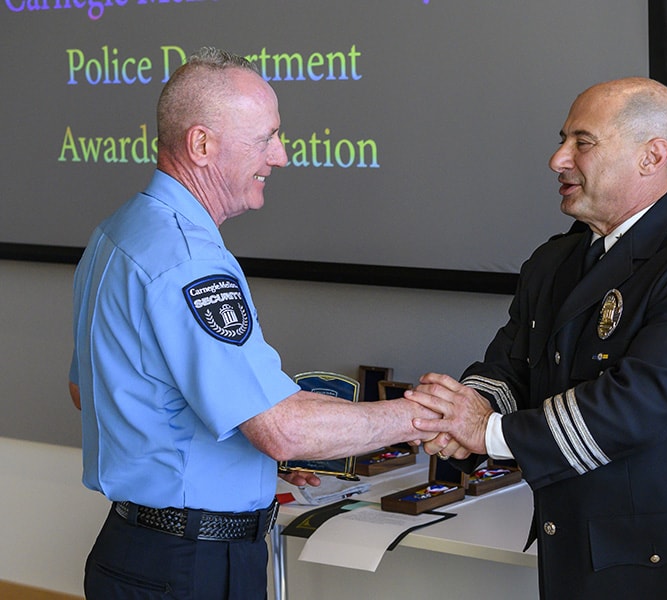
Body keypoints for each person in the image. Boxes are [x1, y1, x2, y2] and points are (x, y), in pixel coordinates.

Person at [68, 47, 436, 599]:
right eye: (266, 138)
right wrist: (424, 417)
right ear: (201, 145)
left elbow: (89, 390)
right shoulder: (190, 261)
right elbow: (281, 429)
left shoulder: (119, 232)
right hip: (191, 567)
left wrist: (245, 468)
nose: (281, 156)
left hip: (136, 553)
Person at [408, 77, 667, 599]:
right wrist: (460, 410)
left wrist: (489, 434)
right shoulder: (555, 261)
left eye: (582, 143)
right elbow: (511, 367)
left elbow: (638, 404)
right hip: (582, 560)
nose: (558, 159)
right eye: (563, 139)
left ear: (651, 157)